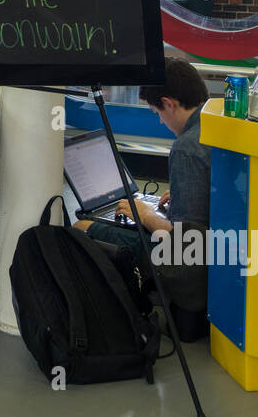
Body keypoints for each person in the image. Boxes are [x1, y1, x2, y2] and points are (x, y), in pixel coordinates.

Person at [73, 56, 212, 331]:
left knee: (81, 226)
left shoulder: (186, 147)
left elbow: (186, 242)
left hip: (197, 265)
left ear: (169, 103)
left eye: (156, 112)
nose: (160, 121)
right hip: (228, 249)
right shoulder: (215, 125)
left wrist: (145, 215)